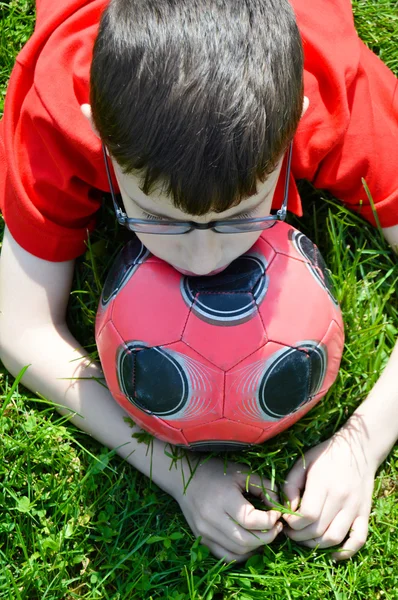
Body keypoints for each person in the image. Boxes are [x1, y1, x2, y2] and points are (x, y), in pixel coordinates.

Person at [0, 0, 397, 564]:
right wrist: (177, 473)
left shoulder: (340, 96)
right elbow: (16, 325)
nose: (204, 258)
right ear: (98, 134)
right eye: (160, 217)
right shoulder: (55, 115)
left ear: (295, 125)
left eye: (239, 215)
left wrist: (365, 444)